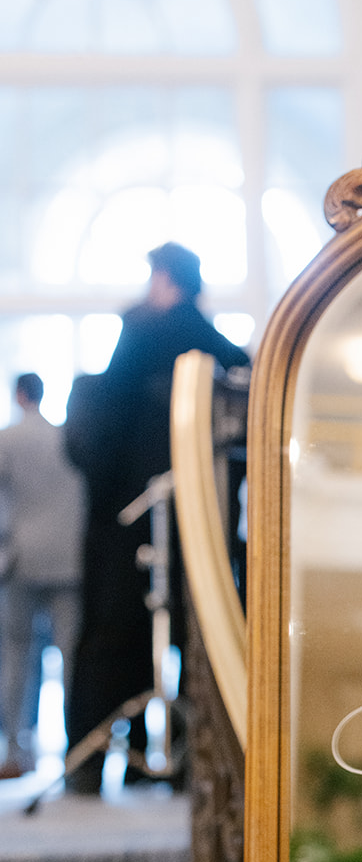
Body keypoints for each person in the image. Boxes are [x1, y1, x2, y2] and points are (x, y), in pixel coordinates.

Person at [65, 242, 249, 791]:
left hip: (128, 523)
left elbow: (100, 437)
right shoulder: (223, 352)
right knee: (197, 638)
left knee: (114, 640)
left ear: (164, 280)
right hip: (201, 525)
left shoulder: (139, 335)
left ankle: (94, 765)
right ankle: (187, 765)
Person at [0, 372, 86, 778]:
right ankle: (75, 753)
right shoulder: (65, 436)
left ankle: (17, 751)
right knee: (70, 657)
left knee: (17, 655)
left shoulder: (8, 440)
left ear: (19, 395)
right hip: (68, 558)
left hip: (20, 559)